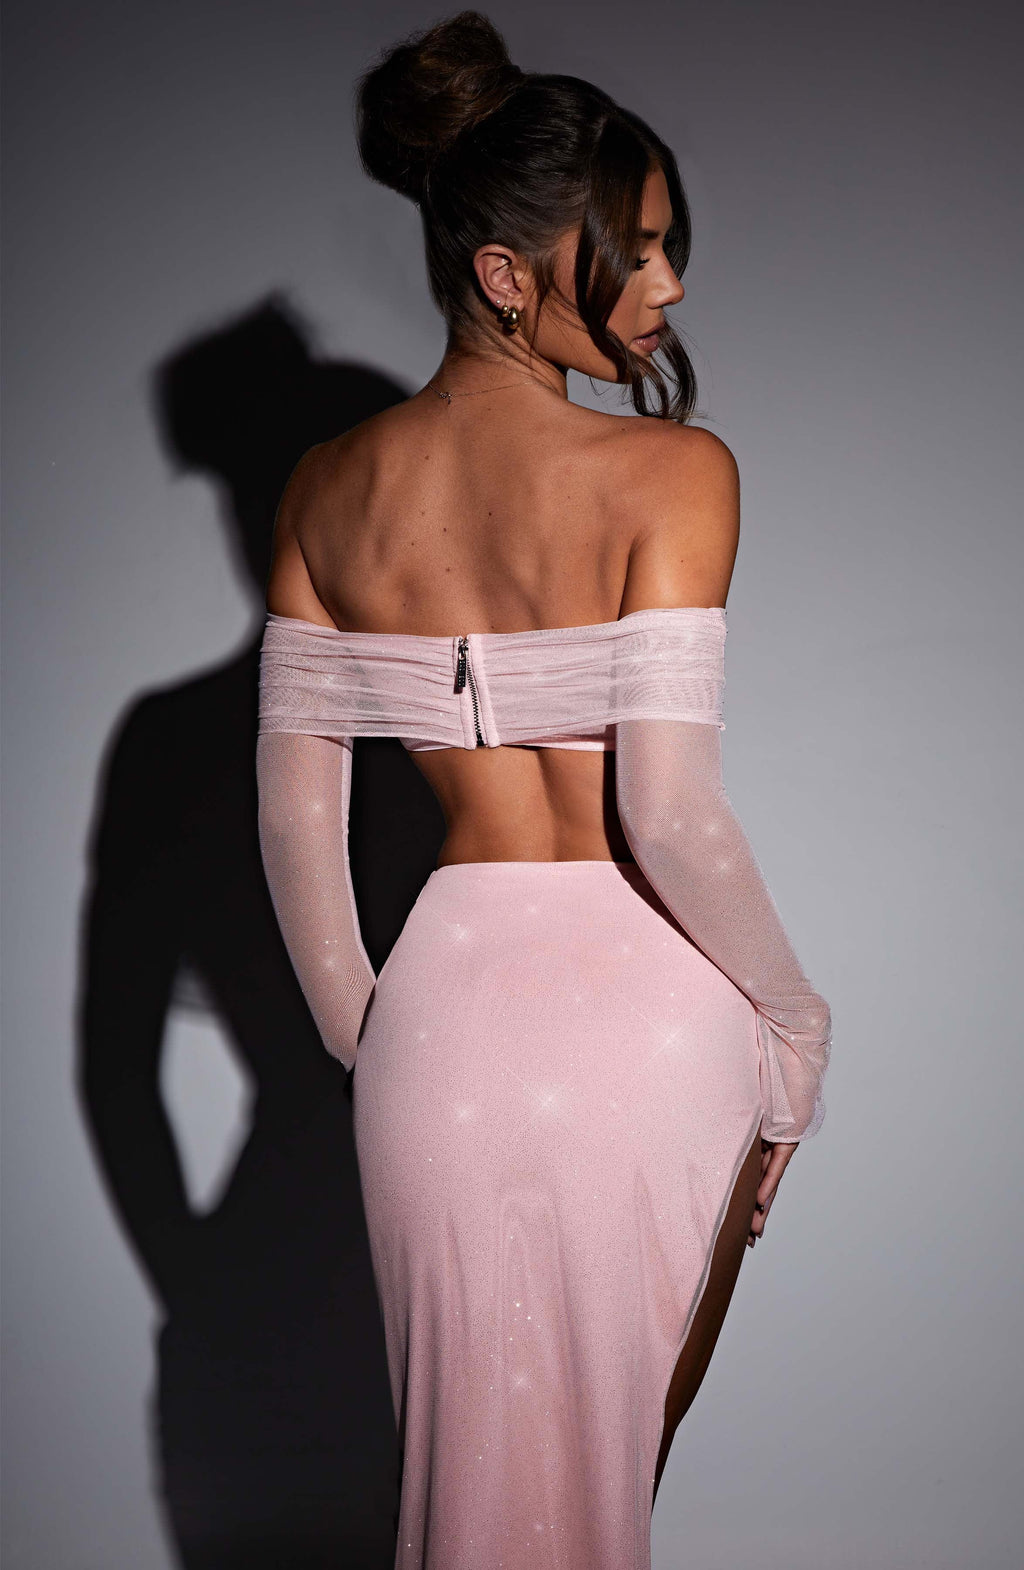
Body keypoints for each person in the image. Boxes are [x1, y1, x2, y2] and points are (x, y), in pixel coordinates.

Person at [255, 11, 832, 1568]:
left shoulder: (323, 494)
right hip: (647, 1012)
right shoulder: (676, 473)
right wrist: (799, 1025)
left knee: (469, 1493)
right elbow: (667, 817)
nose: (671, 285)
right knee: (598, 1493)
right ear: (507, 272)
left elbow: (298, 826)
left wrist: (377, 1039)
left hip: (437, 1023)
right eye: (639, 249)